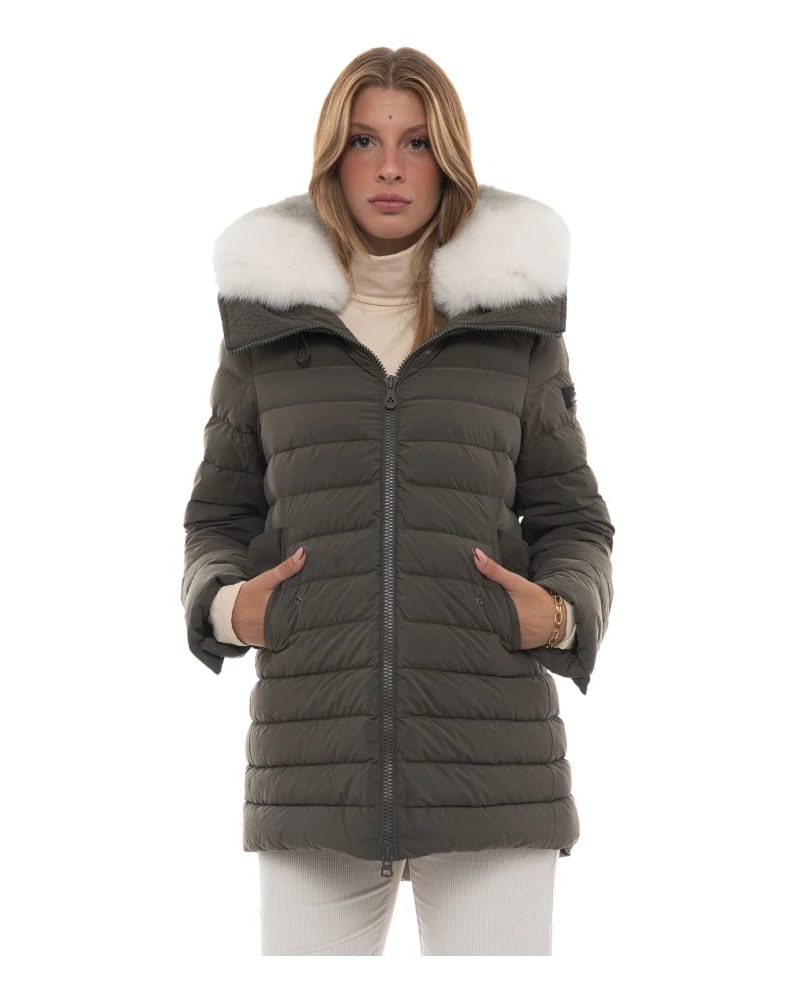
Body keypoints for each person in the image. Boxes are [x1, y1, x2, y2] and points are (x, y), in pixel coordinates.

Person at [181, 46, 615, 956]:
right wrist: (226, 604)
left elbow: (574, 519)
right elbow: (217, 518)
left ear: (447, 158)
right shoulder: (267, 329)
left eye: (416, 142)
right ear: (331, 159)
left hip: (494, 765)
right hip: (313, 768)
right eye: (363, 141)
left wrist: (561, 613)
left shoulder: (513, 327)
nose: (389, 167)